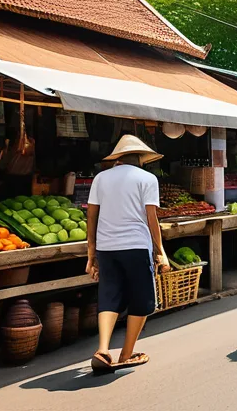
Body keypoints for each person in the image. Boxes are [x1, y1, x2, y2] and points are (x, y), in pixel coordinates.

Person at [86, 134, 168, 373]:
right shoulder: (148, 178)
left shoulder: (101, 178)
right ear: (141, 158)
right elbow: (151, 218)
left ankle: (102, 349)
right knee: (142, 299)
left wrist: (91, 253)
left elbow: (91, 215)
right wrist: (160, 251)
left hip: (106, 246)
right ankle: (126, 353)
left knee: (109, 294)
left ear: (119, 158)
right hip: (136, 245)